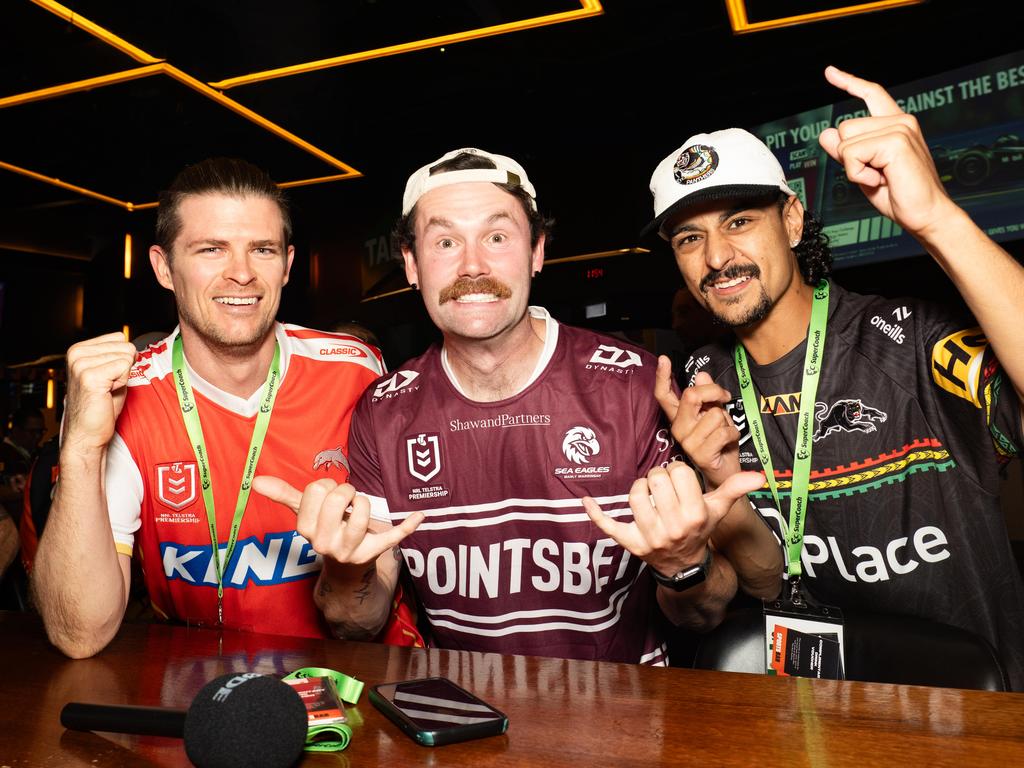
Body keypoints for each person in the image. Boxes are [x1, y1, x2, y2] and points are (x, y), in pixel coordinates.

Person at [256, 148, 779, 664]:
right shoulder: (385, 410)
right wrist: (345, 573)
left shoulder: (636, 382)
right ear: (412, 265)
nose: (472, 265)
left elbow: (702, 616)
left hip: (624, 724)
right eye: (444, 241)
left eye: (497, 236)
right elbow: (357, 623)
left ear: (537, 251)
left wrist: (683, 564)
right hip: (461, 721)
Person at [646, 66, 1024, 688]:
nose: (716, 258)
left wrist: (937, 221)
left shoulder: (910, 340)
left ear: (792, 221)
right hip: (816, 721)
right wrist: (720, 485)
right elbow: (773, 582)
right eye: (691, 238)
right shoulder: (702, 382)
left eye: (739, 221)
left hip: (976, 716)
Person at [32, 158, 386, 658]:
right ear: (163, 268)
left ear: (286, 265)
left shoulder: (357, 371)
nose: (241, 274)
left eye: (261, 250)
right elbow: (79, 634)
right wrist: (82, 449)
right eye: (211, 249)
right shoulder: (119, 393)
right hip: (198, 693)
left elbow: (372, 615)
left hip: (347, 682)